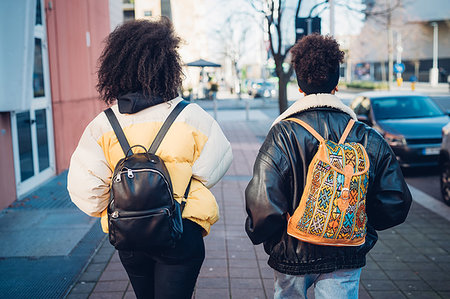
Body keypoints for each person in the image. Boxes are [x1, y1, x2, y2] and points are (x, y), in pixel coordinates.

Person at [67, 18, 232, 299]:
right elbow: (213, 169)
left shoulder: (102, 125)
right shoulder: (190, 116)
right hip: (181, 230)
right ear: (169, 66)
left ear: (115, 67)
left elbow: (88, 195)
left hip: (130, 236)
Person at [245, 34, 411, 299]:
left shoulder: (283, 135)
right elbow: (396, 201)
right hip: (346, 254)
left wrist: (268, 237)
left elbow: (262, 204)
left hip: (292, 252)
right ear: (336, 83)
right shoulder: (367, 136)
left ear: (299, 86)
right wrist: (359, 225)